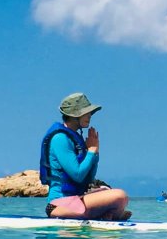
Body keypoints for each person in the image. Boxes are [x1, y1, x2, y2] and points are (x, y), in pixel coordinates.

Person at [39, 92, 131, 220]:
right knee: (120, 196)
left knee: (109, 191)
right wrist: (91, 151)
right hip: (59, 205)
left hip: (77, 200)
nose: (90, 116)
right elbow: (77, 175)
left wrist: (95, 153)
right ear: (74, 115)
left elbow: (88, 178)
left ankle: (106, 214)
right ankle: (108, 214)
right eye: (86, 113)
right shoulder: (60, 139)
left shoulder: (75, 139)